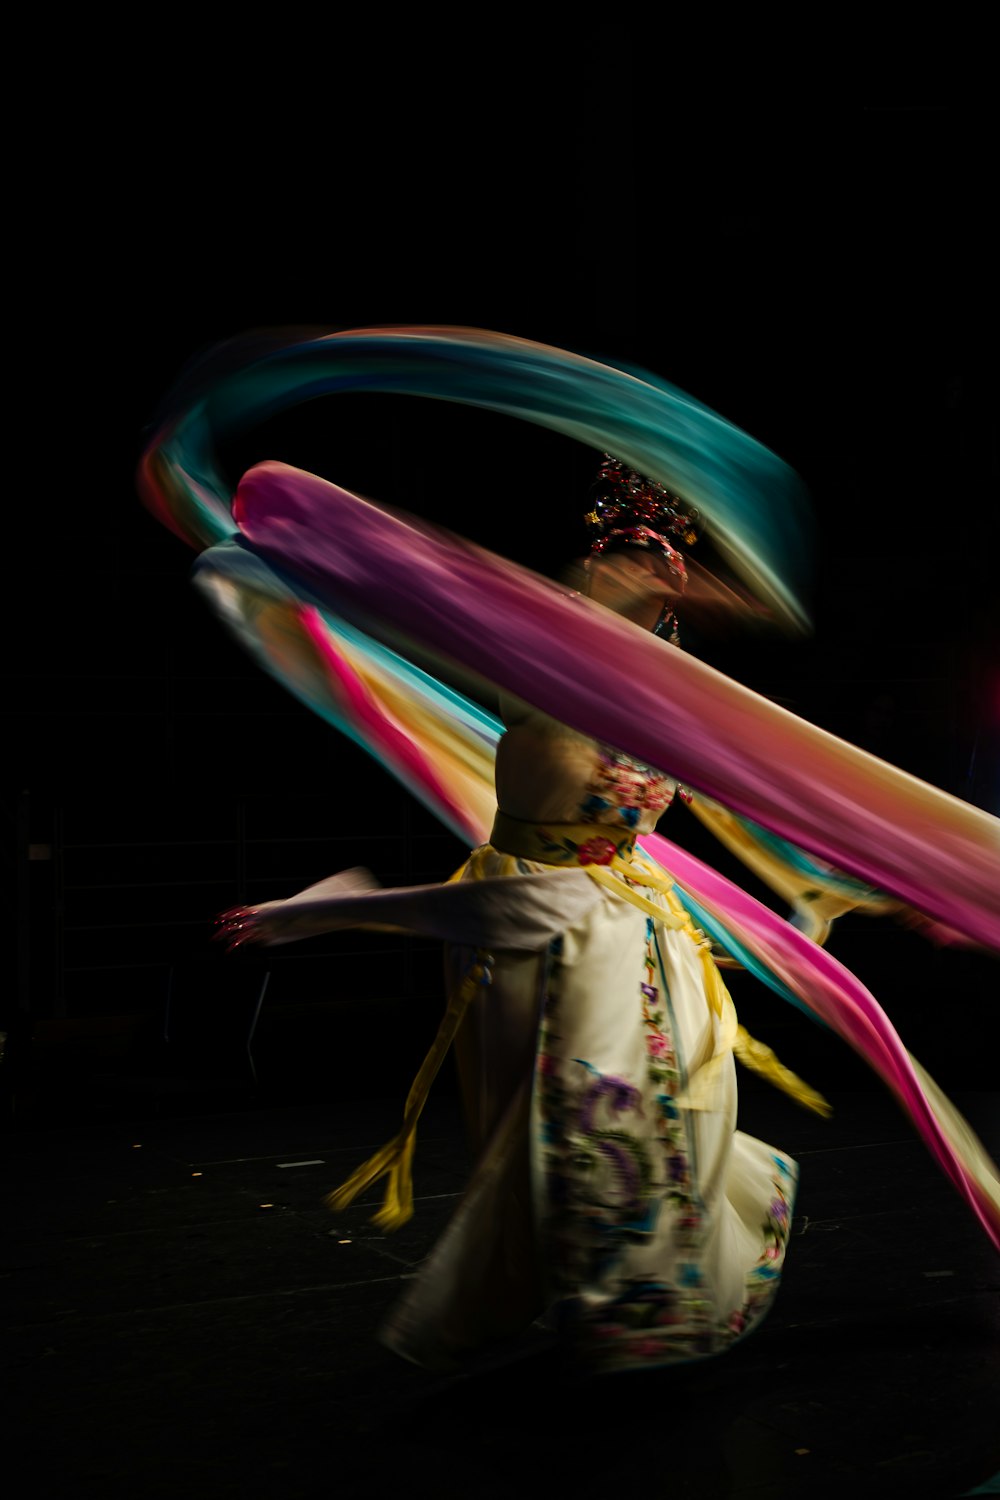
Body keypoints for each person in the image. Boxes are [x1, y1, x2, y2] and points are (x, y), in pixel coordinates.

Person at [218, 455, 829, 1375]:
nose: (645, 577)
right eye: (625, 561)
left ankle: (655, 1307)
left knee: (675, 1112)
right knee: (586, 1121)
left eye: (658, 566)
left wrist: (825, 899)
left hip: (639, 930)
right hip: (548, 923)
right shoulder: (541, 686)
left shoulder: (666, 705)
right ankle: (611, 1311)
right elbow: (499, 615)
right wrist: (328, 915)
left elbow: (748, 804)